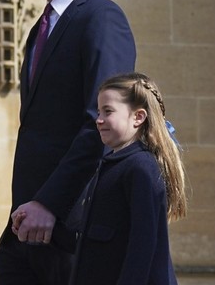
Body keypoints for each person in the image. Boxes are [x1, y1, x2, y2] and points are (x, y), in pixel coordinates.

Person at [0, 0, 137, 284]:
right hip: (26, 226)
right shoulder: (41, 28)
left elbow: (102, 124)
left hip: (71, 228)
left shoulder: (102, 19)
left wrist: (49, 203)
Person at [67, 72, 186, 285]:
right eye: (99, 111)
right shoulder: (113, 165)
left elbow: (143, 245)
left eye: (108, 111)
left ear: (138, 117)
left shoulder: (140, 168)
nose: (99, 120)